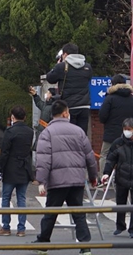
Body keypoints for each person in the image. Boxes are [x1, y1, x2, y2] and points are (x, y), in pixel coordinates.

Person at [33, 100, 98, 255]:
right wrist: (93, 176)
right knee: (78, 213)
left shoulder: (47, 133)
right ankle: (84, 245)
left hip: (57, 181)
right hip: (76, 180)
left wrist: (41, 181)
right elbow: (89, 156)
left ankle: (43, 244)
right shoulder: (78, 131)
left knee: (51, 213)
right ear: (65, 113)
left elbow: (43, 159)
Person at [0, 106, 34, 237]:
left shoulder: (10, 132)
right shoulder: (30, 132)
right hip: (24, 168)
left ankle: (6, 227)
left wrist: (0, 170)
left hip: (11, 169)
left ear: (13, 117)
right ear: (25, 117)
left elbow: (4, 153)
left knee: (6, 198)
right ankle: (21, 229)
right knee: (21, 198)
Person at [45, 43, 93, 134]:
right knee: (81, 135)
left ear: (65, 54)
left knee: (69, 135)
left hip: (68, 107)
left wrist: (58, 65)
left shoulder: (61, 67)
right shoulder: (87, 67)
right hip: (84, 106)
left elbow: (50, 78)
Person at [101, 117, 133, 237]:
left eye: (129, 129)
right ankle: (120, 226)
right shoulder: (118, 143)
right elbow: (110, 159)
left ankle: (132, 229)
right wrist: (106, 173)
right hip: (121, 176)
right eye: (125, 129)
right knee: (120, 202)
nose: (127, 131)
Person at [99, 74, 133, 175]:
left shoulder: (110, 98)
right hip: (129, 133)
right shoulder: (131, 98)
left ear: (112, 84)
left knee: (105, 155)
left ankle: (104, 179)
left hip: (111, 134)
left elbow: (102, 117)